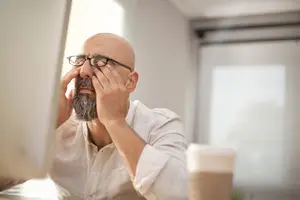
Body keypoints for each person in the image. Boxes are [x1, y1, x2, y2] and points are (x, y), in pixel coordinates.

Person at [0, 33, 188, 200]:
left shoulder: (162, 124)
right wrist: (46, 126)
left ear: (130, 82)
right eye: (81, 61)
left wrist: (115, 123)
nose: (84, 71)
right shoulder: (60, 124)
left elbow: (179, 195)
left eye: (101, 61)